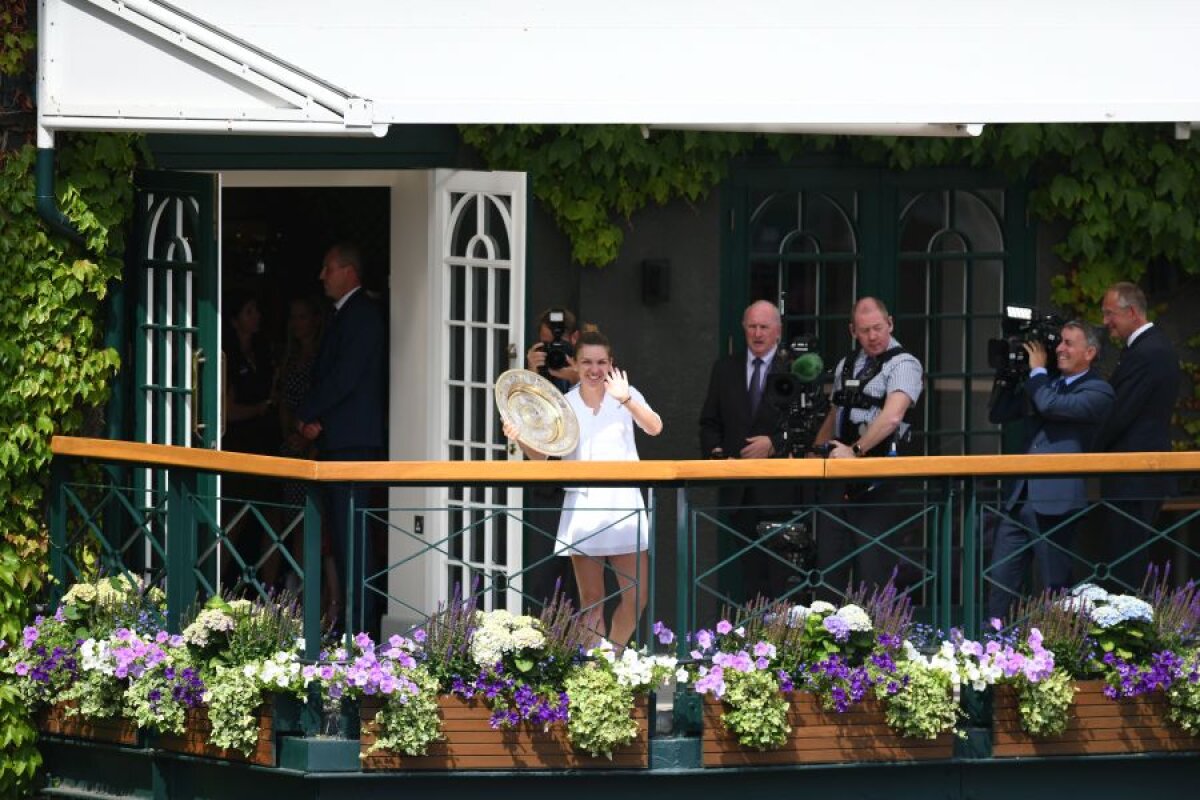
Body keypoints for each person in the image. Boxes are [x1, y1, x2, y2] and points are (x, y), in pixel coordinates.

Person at [505, 329, 662, 647]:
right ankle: (594, 675)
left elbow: (654, 427)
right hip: (584, 508)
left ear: (611, 364)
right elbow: (544, 457)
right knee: (592, 600)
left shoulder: (626, 394)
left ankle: (614, 661)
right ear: (575, 365)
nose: (594, 369)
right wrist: (519, 435)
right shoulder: (565, 404)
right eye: (587, 362)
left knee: (637, 597)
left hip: (624, 506)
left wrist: (627, 400)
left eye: (601, 362)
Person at [985, 322, 1115, 619]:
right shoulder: (1046, 382)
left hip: (1057, 501)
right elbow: (999, 413)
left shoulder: (1099, 390)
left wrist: (1038, 372)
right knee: (999, 581)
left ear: (1090, 352)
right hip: (1019, 497)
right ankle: (988, 644)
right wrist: (1007, 375)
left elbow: (1050, 406)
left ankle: (1055, 650)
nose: (1059, 349)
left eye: (1069, 343)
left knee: (1055, 585)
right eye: (1060, 343)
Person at [297, 243, 386, 632]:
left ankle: (359, 628)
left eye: (327, 268)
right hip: (341, 437)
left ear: (349, 271)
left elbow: (345, 377)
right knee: (342, 534)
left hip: (353, 441)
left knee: (353, 537)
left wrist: (309, 412)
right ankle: (352, 623)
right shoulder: (347, 314)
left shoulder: (362, 314)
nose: (322, 276)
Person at [815, 297, 924, 595]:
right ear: (853, 331)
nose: (872, 336)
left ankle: (882, 637)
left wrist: (856, 451)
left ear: (890, 324)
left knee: (874, 569)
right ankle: (826, 635)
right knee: (829, 566)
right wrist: (813, 454)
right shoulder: (846, 365)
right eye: (864, 330)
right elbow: (835, 413)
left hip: (880, 479)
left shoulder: (904, 363)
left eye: (878, 328)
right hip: (839, 476)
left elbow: (892, 416)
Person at [698, 300, 796, 601]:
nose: (757, 333)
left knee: (780, 574)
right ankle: (750, 639)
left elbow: (809, 424)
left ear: (777, 331)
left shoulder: (793, 369)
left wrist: (774, 443)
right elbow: (709, 422)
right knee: (747, 574)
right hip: (738, 491)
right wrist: (716, 454)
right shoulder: (724, 368)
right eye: (752, 326)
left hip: (779, 490)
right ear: (744, 329)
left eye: (764, 327)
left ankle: (780, 639)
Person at [1092, 282, 1181, 589]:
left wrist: (1085, 449)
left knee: (1127, 565)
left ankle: (1132, 631)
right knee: (1127, 560)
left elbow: (1120, 413)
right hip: (1136, 475)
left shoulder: (1148, 352)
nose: (1106, 322)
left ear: (1131, 312)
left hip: (1135, 475)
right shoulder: (1150, 348)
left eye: (1109, 313)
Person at [520, 308, 582, 612]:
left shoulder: (592, 373)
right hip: (548, 486)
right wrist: (532, 376)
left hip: (586, 487)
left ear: (575, 340)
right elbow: (517, 419)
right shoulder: (532, 381)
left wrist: (579, 378)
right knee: (545, 573)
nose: (553, 353)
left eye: (558, 346)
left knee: (584, 577)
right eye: (546, 346)